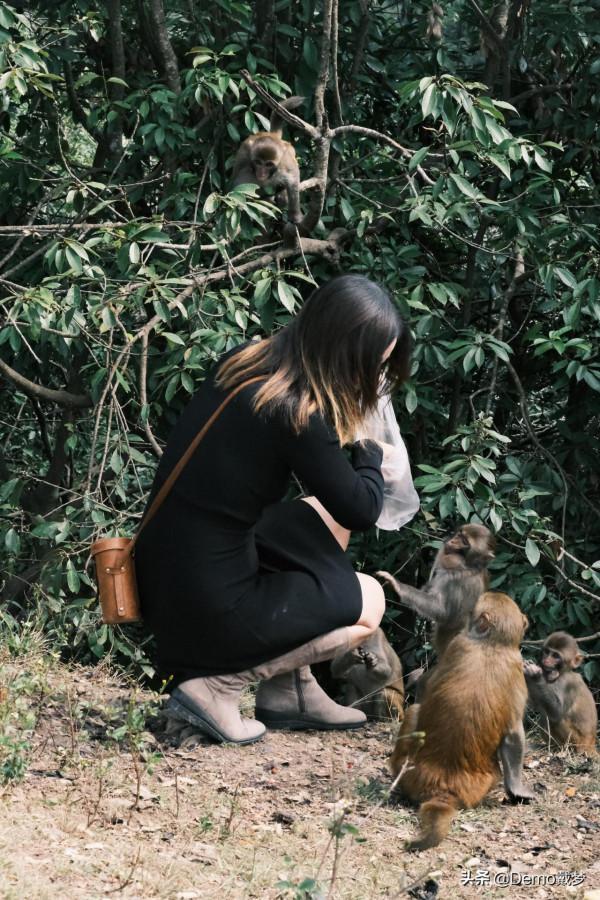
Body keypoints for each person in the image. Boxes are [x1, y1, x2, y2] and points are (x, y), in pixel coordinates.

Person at [135, 274, 412, 745]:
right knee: (369, 600)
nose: (375, 381)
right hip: (204, 604)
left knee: (319, 517)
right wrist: (370, 444)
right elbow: (362, 508)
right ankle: (215, 688)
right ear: (347, 356)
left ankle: (291, 692)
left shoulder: (250, 362)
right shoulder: (296, 411)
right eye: (373, 367)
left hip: (168, 570)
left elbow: (336, 509)